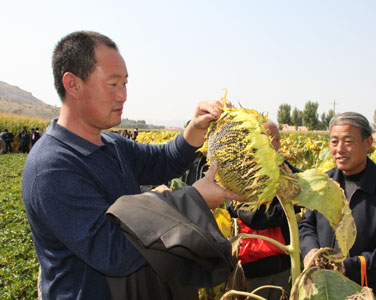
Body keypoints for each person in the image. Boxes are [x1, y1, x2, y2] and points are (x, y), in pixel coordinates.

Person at [22, 31, 242, 300]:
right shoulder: (52, 168)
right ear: (73, 85)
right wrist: (195, 200)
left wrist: (195, 129)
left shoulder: (111, 144)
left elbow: (164, 161)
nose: (123, 95)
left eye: (125, 83)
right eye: (113, 84)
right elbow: (113, 251)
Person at [298, 112, 376, 300]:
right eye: (334, 142)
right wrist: (310, 250)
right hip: (324, 289)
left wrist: (356, 265)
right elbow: (307, 225)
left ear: (368, 143)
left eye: (348, 141)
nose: (339, 149)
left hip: (370, 291)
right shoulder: (322, 184)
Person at [227, 121, 302, 300]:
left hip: (284, 264)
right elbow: (255, 217)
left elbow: (304, 184)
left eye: (277, 140)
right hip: (253, 268)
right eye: (268, 139)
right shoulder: (240, 174)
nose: (274, 145)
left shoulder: (283, 169)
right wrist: (291, 206)